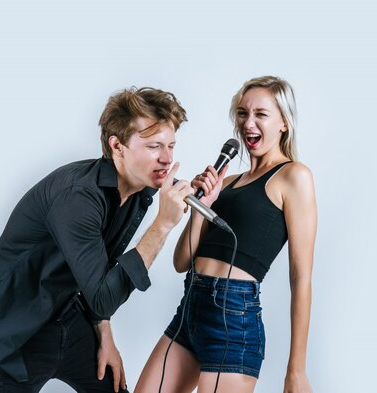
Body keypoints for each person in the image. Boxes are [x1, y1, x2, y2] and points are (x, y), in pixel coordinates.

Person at [0, 87, 196, 393]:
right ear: (117, 146)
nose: (167, 159)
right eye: (154, 146)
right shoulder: (78, 198)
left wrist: (105, 335)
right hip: (15, 331)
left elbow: (100, 272)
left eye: (171, 146)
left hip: (68, 315)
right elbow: (102, 294)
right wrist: (163, 225)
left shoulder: (139, 190)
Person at [135, 76, 318, 393]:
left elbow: (301, 277)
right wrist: (202, 205)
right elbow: (182, 261)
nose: (249, 122)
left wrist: (296, 370)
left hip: (233, 320)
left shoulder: (293, 176)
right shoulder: (228, 181)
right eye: (243, 113)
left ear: (284, 123)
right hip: (189, 309)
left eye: (261, 114)